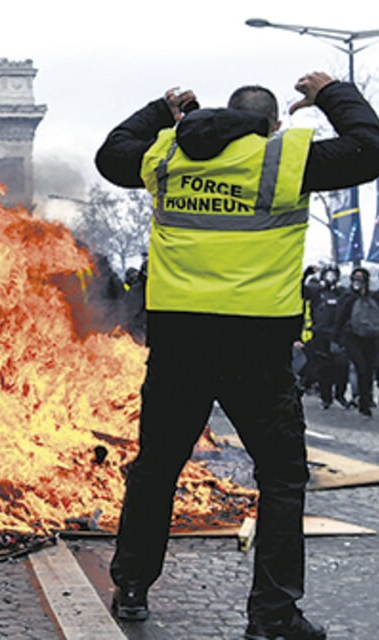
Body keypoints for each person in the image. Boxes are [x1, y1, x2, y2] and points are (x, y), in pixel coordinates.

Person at [95, 71, 379, 640]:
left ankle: (130, 587)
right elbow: (369, 148)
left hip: (179, 346)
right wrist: (330, 94)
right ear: (273, 125)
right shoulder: (286, 161)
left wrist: (162, 109)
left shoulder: (169, 157)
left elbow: (110, 157)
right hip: (258, 348)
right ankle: (272, 615)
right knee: (280, 480)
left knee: (156, 471)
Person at [334, 267, 379, 417]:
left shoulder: (374, 297)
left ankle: (365, 399)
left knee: (368, 369)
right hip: (352, 337)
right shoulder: (348, 297)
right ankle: (362, 401)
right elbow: (340, 317)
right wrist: (336, 338)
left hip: (370, 338)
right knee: (361, 368)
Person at [308, 265, 348, 409]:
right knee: (324, 367)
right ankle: (326, 397)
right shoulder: (317, 292)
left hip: (338, 335)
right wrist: (307, 273)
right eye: (328, 275)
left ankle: (340, 395)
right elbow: (300, 291)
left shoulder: (342, 293)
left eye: (333, 275)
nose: (331, 278)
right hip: (321, 334)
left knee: (342, 366)